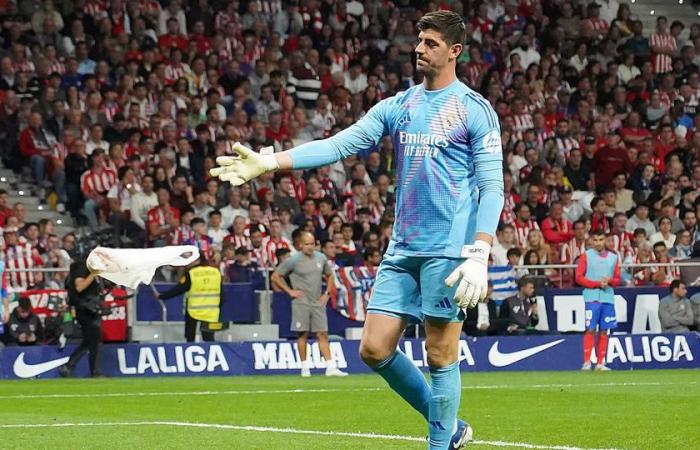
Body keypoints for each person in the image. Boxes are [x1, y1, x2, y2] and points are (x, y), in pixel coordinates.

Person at [210, 11, 503, 448]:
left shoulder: (474, 110)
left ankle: (440, 443)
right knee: (374, 349)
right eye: (419, 40)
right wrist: (271, 161)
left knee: (440, 355)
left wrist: (480, 252)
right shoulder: (398, 106)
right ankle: (452, 427)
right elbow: (338, 144)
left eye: (431, 43)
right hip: (403, 249)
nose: (419, 49)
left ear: (454, 51)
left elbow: (492, 186)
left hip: (449, 251)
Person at [271, 231, 348, 377]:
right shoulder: (293, 260)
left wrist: (327, 293)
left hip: (317, 302)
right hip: (301, 302)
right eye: (306, 244)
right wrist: (290, 292)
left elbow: (330, 275)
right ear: (300, 245)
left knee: (322, 333)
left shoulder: (321, 258)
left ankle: (330, 367)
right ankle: (305, 368)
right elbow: (275, 277)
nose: (310, 247)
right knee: (302, 334)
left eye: (312, 243)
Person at [575, 229, 622, 371]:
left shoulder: (613, 258)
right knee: (590, 329)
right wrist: (596, 284)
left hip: (608, 297)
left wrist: (610, 281)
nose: (598, 243)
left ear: (606, 240)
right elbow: (578, 277)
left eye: (601, 240)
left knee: (604, 330)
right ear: (591, 241)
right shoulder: (586, 256)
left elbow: (618, 279)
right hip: (592, 298)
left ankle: (600, 363)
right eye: (595, 240)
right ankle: (587, 362)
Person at [155, 256, 223, 343]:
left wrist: (162, 296)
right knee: (209, 339)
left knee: (190, 338)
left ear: (197, 260)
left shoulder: (192, 273)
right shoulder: (215, 272)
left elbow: (179, 289)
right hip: (211, 311)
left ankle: (191, 352)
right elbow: (221, 293)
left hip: (194, 311)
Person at [59, 258, 104, 377]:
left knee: (90, 340)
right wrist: (94, 274)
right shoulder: (80, 269)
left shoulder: (83, 269)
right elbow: (80, 287)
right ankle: (92, 371)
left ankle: (70, 366)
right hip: (85, 309)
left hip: (89, 309)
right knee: (93, 340)